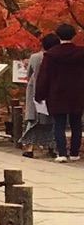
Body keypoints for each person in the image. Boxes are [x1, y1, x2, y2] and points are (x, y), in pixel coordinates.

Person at [34, 22, 84, 161]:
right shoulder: (81, 53)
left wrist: (39, 95)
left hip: (56, 94)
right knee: (76, 124)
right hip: (78, 93)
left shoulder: (50, 55)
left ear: (58, 36)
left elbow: (44, 77)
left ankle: (61, 153)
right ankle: (74, 153)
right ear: (74, 35)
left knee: (59, 124)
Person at [21, 33, 59, 158]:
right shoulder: (58, 57)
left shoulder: (35, 57)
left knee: (33, 119)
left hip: (35, 89)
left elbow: (28, 74)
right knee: (52, 120)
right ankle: (52, 146)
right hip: (52, 91)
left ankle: (29, 147)